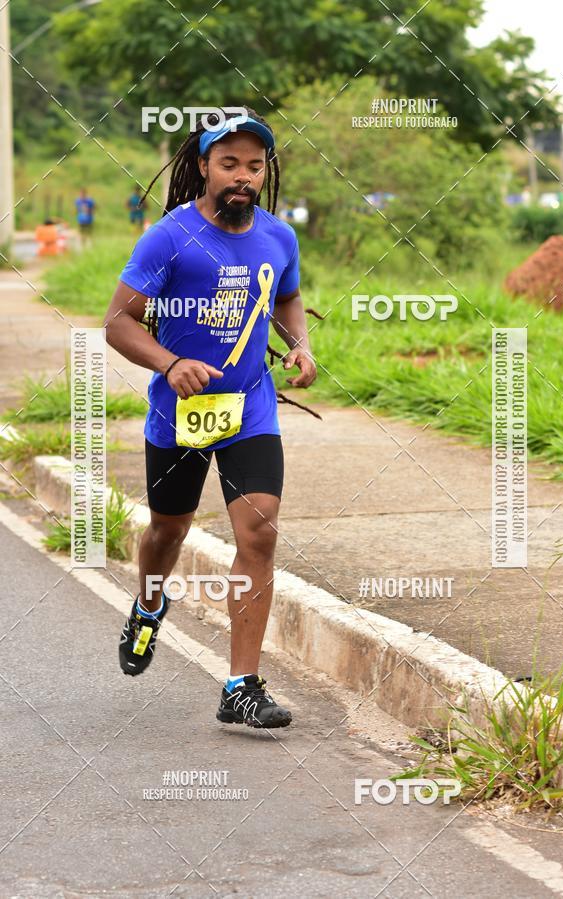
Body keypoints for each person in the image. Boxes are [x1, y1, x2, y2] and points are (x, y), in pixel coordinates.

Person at [103, 106, 317, 729]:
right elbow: (118, 323)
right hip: (179, 413)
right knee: (168, 531)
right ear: (204, 167)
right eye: (229, 163)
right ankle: (147, 605)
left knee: (260, 530)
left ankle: (241, 685)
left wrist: (299, 344)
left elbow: (288, 294)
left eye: (254, 165)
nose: (242, 176)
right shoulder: (168, 238)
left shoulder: (279, 236)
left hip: (251, 408)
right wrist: (170, 364)